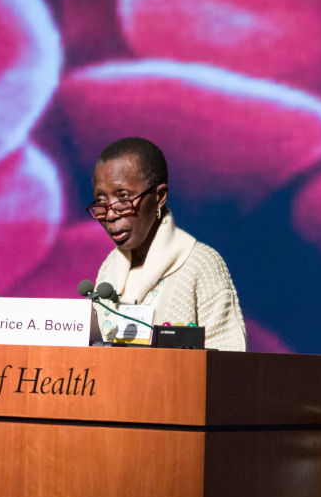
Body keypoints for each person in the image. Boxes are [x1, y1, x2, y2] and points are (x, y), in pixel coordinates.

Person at [86, 137, 247, 351]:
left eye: (123, 197)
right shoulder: (109, 268)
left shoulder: (201, 264)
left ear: (160, 197)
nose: (110, 214)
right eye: (101, 201)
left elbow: (230, 356)